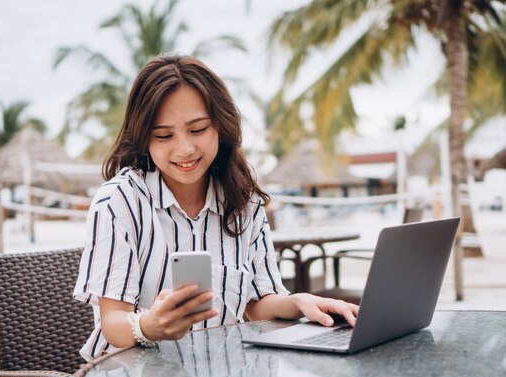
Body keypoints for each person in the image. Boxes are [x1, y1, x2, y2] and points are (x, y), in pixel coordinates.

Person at [73, 54, 359, 360]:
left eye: (197, 130)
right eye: (164, 136)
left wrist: (299, 302)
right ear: (144, 139)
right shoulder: (120, 202)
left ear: (220, 127)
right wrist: (150, 325)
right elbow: (112, 322)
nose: (184, 149)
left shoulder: (244, 202)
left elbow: (255, 305)